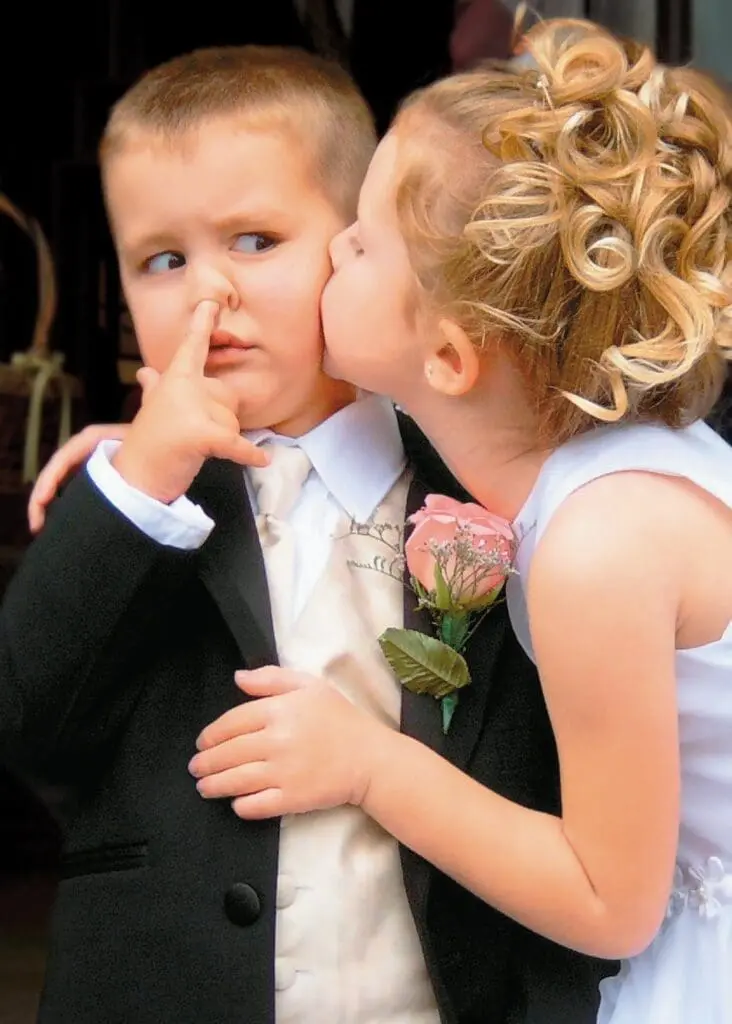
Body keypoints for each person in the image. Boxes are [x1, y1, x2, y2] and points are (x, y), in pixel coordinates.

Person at [101, 16, 732, 1024]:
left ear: (446, 357)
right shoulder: (591, 440)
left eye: (358, 241)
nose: (332, 251)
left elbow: (610, 901)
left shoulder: (600, 549)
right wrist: (139, 450)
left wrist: (368, 763)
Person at [1, 42, 611, 1024]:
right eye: (163, 261)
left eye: (255, 241)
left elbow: (554, 774)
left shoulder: (482, 479)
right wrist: (138, 487)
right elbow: (27, 720)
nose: (209, 295)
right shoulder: (123, 498)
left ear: (359, 246)